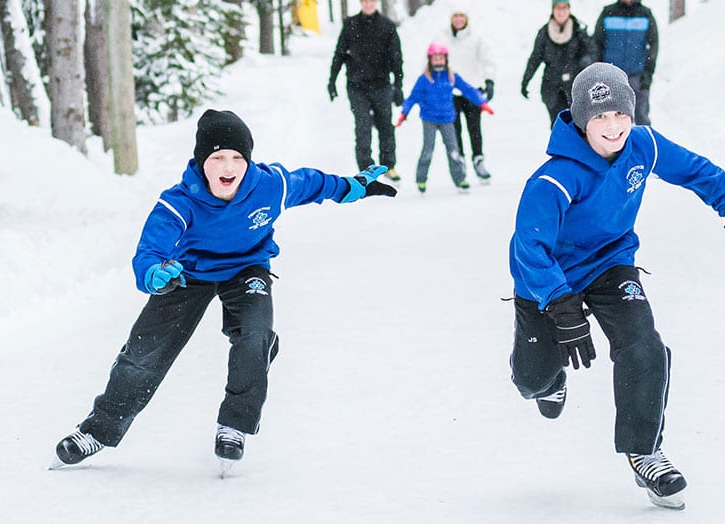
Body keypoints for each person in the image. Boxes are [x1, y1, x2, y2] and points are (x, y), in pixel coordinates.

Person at [52, 109, 397, 473]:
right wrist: (154, 273)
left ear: (248, 161)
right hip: (186, 273)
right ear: (202, 163)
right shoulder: (179, 201)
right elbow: (150, 250)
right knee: (144, 352)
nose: (227, 166)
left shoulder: (271, 185)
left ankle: (234, 425)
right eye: (217, 158)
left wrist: (353, 187)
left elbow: (312, 183)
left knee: (255, 335)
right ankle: (98, 430)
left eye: (236, 157)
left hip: (247, 268)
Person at [508, 63, 725, 510]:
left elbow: (696, 171)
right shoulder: (552, 178)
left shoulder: (643, 145)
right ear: (580, 120)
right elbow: (529, 248)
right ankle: (546, 381)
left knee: (644, 346)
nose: (612, 127)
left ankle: (644, 449)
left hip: (612, 264)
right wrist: (559, 303)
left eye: (620, 116)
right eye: (599, 118)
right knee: (531, 379)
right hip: (548, 278)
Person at [395, 42, 493, 194]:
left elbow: (468, 89)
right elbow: (413, 97)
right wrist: (404, 113)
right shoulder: (424, 79)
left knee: (454, 151)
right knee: (428, 150)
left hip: (448, 119)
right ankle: (421, 178)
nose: (438, 61)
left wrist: (482, 102)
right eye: (435, 59)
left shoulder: (451, 77)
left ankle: (460, 179)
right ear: (430, 60)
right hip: (429, 119)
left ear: (446, 59)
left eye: (441, 58)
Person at [328, 0, 404, 182]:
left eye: (371, 1)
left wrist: (398, 86)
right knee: (362, 126)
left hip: (382, 85)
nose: (368, 4)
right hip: (357, 86)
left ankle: (389, 165)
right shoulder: (350, 24)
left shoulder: (387, 26)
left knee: (385, 126)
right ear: (361, 3)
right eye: (365, 1)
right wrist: (332, 81)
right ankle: (366, 168)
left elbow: (396, 57)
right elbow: (339, 54)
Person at [439, 9, 496, 181]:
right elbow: (431, 60)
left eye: (461, 16)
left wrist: (489, 80)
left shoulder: (476, 39)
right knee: (455, 130)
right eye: (455, 16)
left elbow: (488, 60)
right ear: (451, 19)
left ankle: (478, 159)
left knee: (474, 128)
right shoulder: (442, 38)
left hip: (472, 90)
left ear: (466, 19)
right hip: (450, 93)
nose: (458, 20)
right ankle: (460, 161)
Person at [520, 0, 592, 127]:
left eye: (564, 8)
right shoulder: (544, 32)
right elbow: (535, 58)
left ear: (569, 10)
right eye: (558, 8)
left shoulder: (578, 30)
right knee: (557, 124)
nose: (561, 12)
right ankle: (559, 145)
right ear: (553, 10)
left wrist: (586, 61)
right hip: (551, 86)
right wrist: (526, 80)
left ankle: (574, 146)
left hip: (574, 86)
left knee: (576, 124)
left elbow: (591, 51)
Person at [591, 0, 658, 125]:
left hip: (637, 78)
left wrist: (648, 75)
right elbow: (596, 44)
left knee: (642, 120)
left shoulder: (645, 14)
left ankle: (642, 145)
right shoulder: (608, 12)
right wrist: (599, 72)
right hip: (611, 78)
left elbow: (653, 46)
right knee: (610, 121)